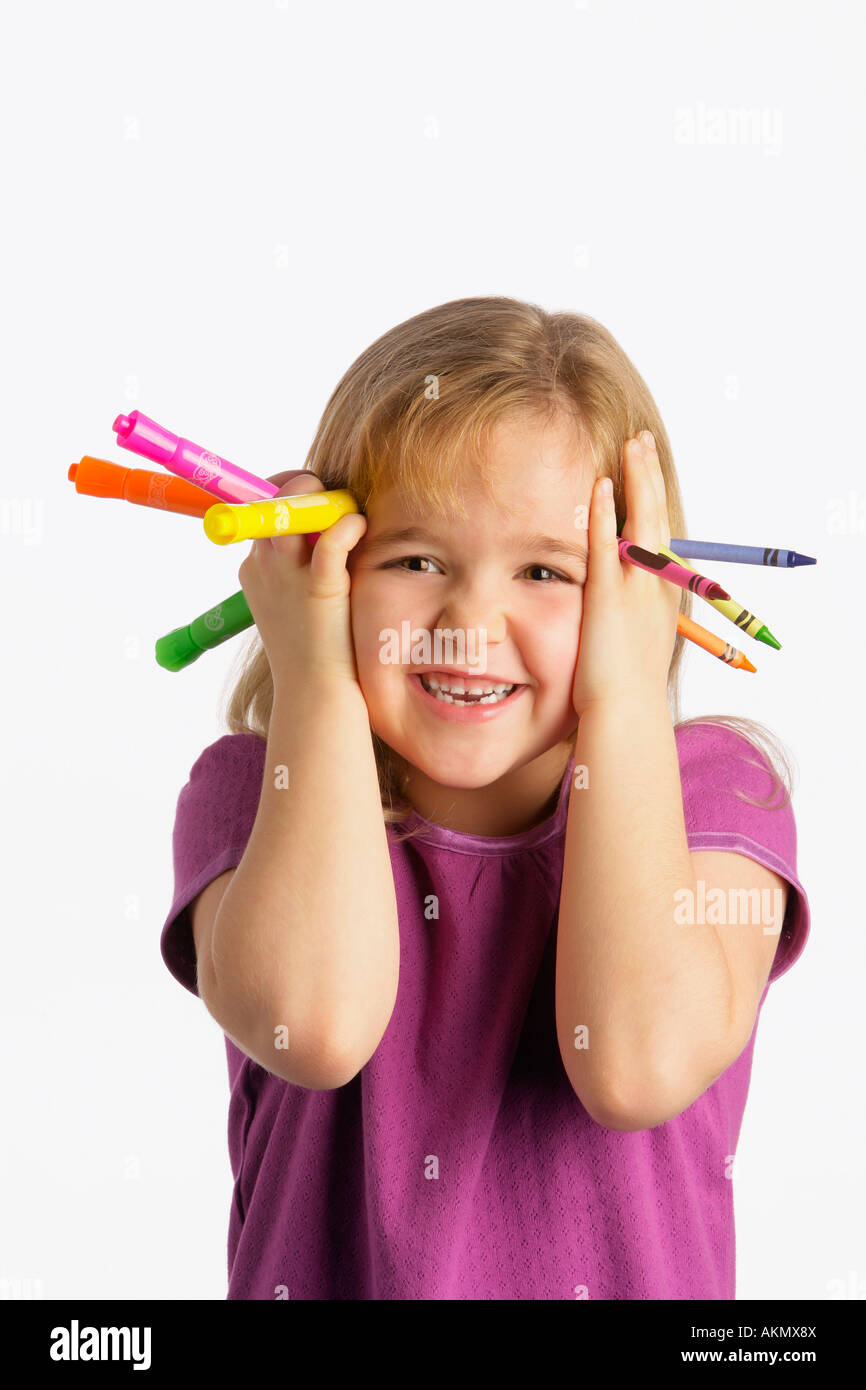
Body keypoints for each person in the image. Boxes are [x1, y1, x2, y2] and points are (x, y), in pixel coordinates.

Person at [160, 296, 810, 1299]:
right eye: (416, 560)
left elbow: (630, 1066)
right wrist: (318, 679)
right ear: (325, 566)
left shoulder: (712, 799)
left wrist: (628, 694)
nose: (469, 620)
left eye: (546, 570)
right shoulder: (253, 795)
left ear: (642, 590)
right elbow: (316, 1026)